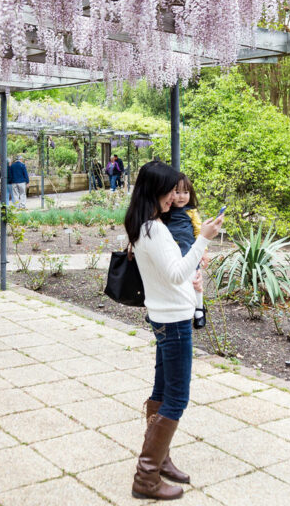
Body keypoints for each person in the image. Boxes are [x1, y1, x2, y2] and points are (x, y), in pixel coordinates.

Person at [125, 161, 223, 500]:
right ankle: (146, 478)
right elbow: (176, 274)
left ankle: (160, 461)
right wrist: (203, 241)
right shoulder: (155, 229)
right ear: (154, 190)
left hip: (164, 315)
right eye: (168, 190)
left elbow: (174, 273)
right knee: (177, 397)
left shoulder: (145, 225)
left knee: (162, 391)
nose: (174, 196)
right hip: (174, 320)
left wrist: (193, 265)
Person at [163, 173, 208, 329]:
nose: (181, 197)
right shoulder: (165, 211)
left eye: (186, 192)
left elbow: (200, 232)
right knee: (169, 280)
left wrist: (204, 251)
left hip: (189, 251)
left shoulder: (191, 212)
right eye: (177, 192)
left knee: (195, 280)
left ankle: (199, 309)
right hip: (171, 252)